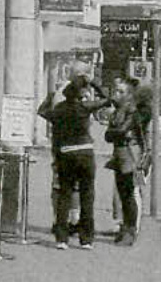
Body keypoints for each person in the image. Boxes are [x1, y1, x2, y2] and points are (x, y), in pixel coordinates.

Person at [38, 74, 110, 250]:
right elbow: (107, 100)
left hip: (66, 155)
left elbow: (41, 111)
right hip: (85, 153)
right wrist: (94, 83)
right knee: (87, 195)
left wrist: (50, 94)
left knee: (64, 194)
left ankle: (62, 238)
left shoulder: (59, 110)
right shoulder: (85, 107)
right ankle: (86, 239)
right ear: (80, 95)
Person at [106, 76, 142, 246]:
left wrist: (116, 132)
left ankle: (131, 230)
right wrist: (115, 132)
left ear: (128, 94)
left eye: (120, 91)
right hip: (119, 154)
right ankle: (125, 228)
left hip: (130, 155)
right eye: (116, 91)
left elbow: (120, 130)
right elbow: (108, 136)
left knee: (128, 194)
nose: (116, 94)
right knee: (121, 192)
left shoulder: (132, 112)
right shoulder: (117, 111)